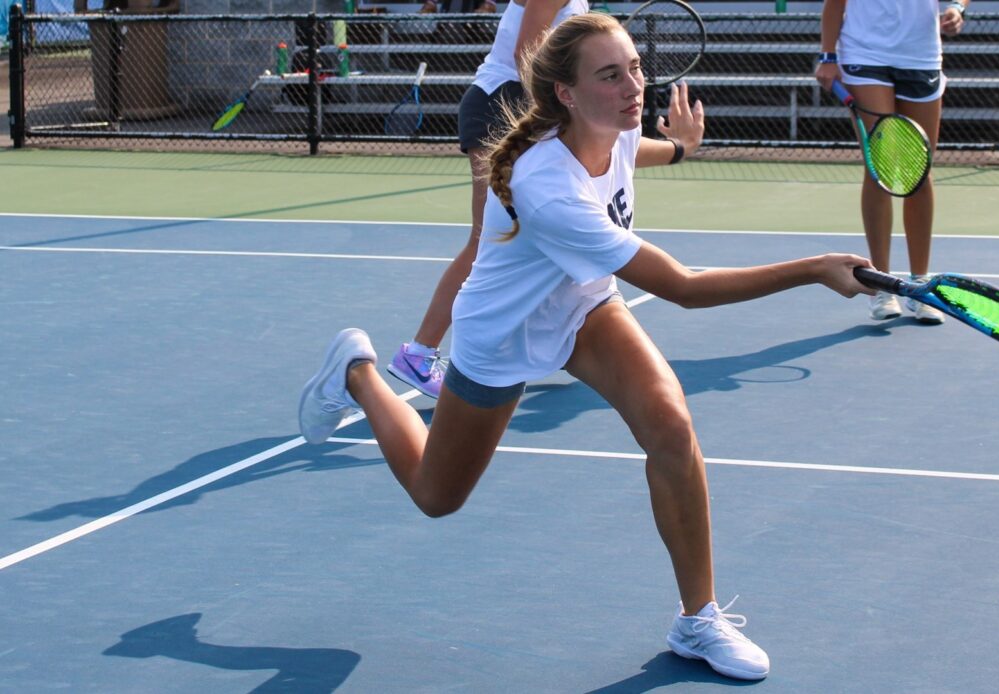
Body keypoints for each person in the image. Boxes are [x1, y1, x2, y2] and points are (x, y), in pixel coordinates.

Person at [300, 13, 874, 681]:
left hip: (583, 306)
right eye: (610, 75)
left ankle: (699, 618)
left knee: (670, 422)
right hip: (503, 334)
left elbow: (634, 148)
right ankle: (360, 371)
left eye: (634, 67)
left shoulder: (618, 126)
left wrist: (682, 149)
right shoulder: (548, 187)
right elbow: (684, 288)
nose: (634, 86)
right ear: (567, 95)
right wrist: (812, 268)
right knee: (436, 495)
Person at [389, 0, 590, 398]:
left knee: (535, 235)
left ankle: (569, 344)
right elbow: (526, 54)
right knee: (487, 239)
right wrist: (565, 112)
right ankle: (419, 352)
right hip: (503, 106)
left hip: (524, 110)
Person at [815, 0, 969, 323]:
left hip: (921, 55)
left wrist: (957, 6)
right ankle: (881, 283)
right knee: (880, 166)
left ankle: (920, 284)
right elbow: (835, 3)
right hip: (864, 53)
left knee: (919, 170)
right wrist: (828, 56)